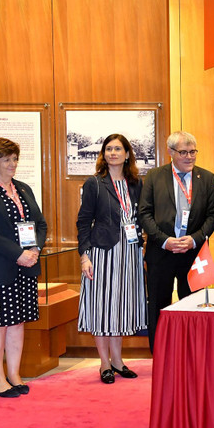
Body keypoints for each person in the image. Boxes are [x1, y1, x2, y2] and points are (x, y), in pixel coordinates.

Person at [0, 137, 47, 398]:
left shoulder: (23, 188)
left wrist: (35, 249)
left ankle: (14, 375)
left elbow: (40, 222)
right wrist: (18, 254)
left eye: (15, 158)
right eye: (7, 160)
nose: (13, 164)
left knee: (17, 323)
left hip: (25, 266)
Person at [138, 131, 214, 351]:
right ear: (170, 152)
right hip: (161, 251)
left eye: (193, 152)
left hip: (194, 254)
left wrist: (195, 239)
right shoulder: (155, 176)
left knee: (195, 306)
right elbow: (144, 214)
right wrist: (165, 241)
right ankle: (159, 353)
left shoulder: (207, 178)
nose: (189, 157)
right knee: (158, 305)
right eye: (183, 152)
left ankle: (194, 352)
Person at [76, 134, 146, 384]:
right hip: (102, 252)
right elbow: (83, 222)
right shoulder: (95, 183)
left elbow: (141, 217)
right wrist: (84, 256)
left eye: (118, 149)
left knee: (120, 306)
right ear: (103, 154)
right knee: (102, 307)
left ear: (127, 154)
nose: (113, 153)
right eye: (108, 149)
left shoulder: (135, 183)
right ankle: (104, 363)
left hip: (129, 253)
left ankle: (118, 360)